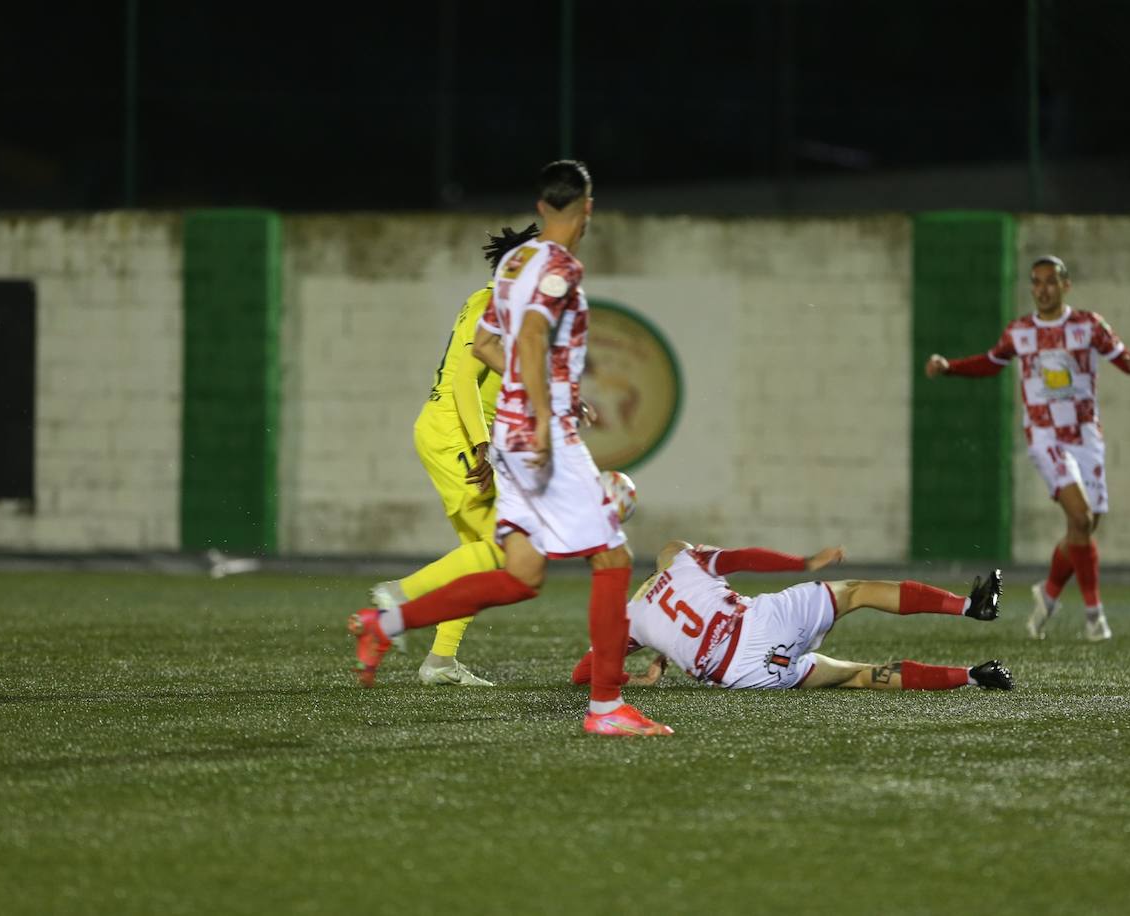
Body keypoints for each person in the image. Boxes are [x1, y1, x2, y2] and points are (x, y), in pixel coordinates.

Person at [350, 160, 673, 737]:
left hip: (512, 434)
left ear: (541, 206)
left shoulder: (514, 264)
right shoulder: (557, 267)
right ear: (587, 209)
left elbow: (485, 344)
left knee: (521, 572)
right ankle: (605, 708)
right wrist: (547, 421)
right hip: (538, 436)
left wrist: (542, 399)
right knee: (613, 558)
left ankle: (387, 621)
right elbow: (522, 339)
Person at [925, 255, 1130, 641]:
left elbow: (1121, 356)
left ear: (1066, 285)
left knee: (1084, 528)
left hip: (1085, 435)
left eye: (1050, 281)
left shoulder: (1087, 325)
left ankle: (1047, 594)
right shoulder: (1020, 331)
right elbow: (991, 362)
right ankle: (1095, 617)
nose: (1042, 289)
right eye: (1036, 282)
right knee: (1079, 519)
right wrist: (951, 367)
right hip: (1045, 436)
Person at [371, 223, 540, 687]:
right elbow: (466, 380)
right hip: (454, 433)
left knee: (481, 553)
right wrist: (480, 443)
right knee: (506, 550)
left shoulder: (491, 302)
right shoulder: (491, 305)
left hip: (454, 430)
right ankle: (395, 597)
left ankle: (440, 660)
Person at [569, 540, 1012, 692]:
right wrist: (804, 562)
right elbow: (744, 557)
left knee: (859, 675)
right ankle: (971, 606)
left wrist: (639, 680)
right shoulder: (681, 559)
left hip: (742, 673)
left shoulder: (626, 620)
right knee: (855, 592)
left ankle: (973, 676)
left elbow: (583, 673)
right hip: (758, 623)